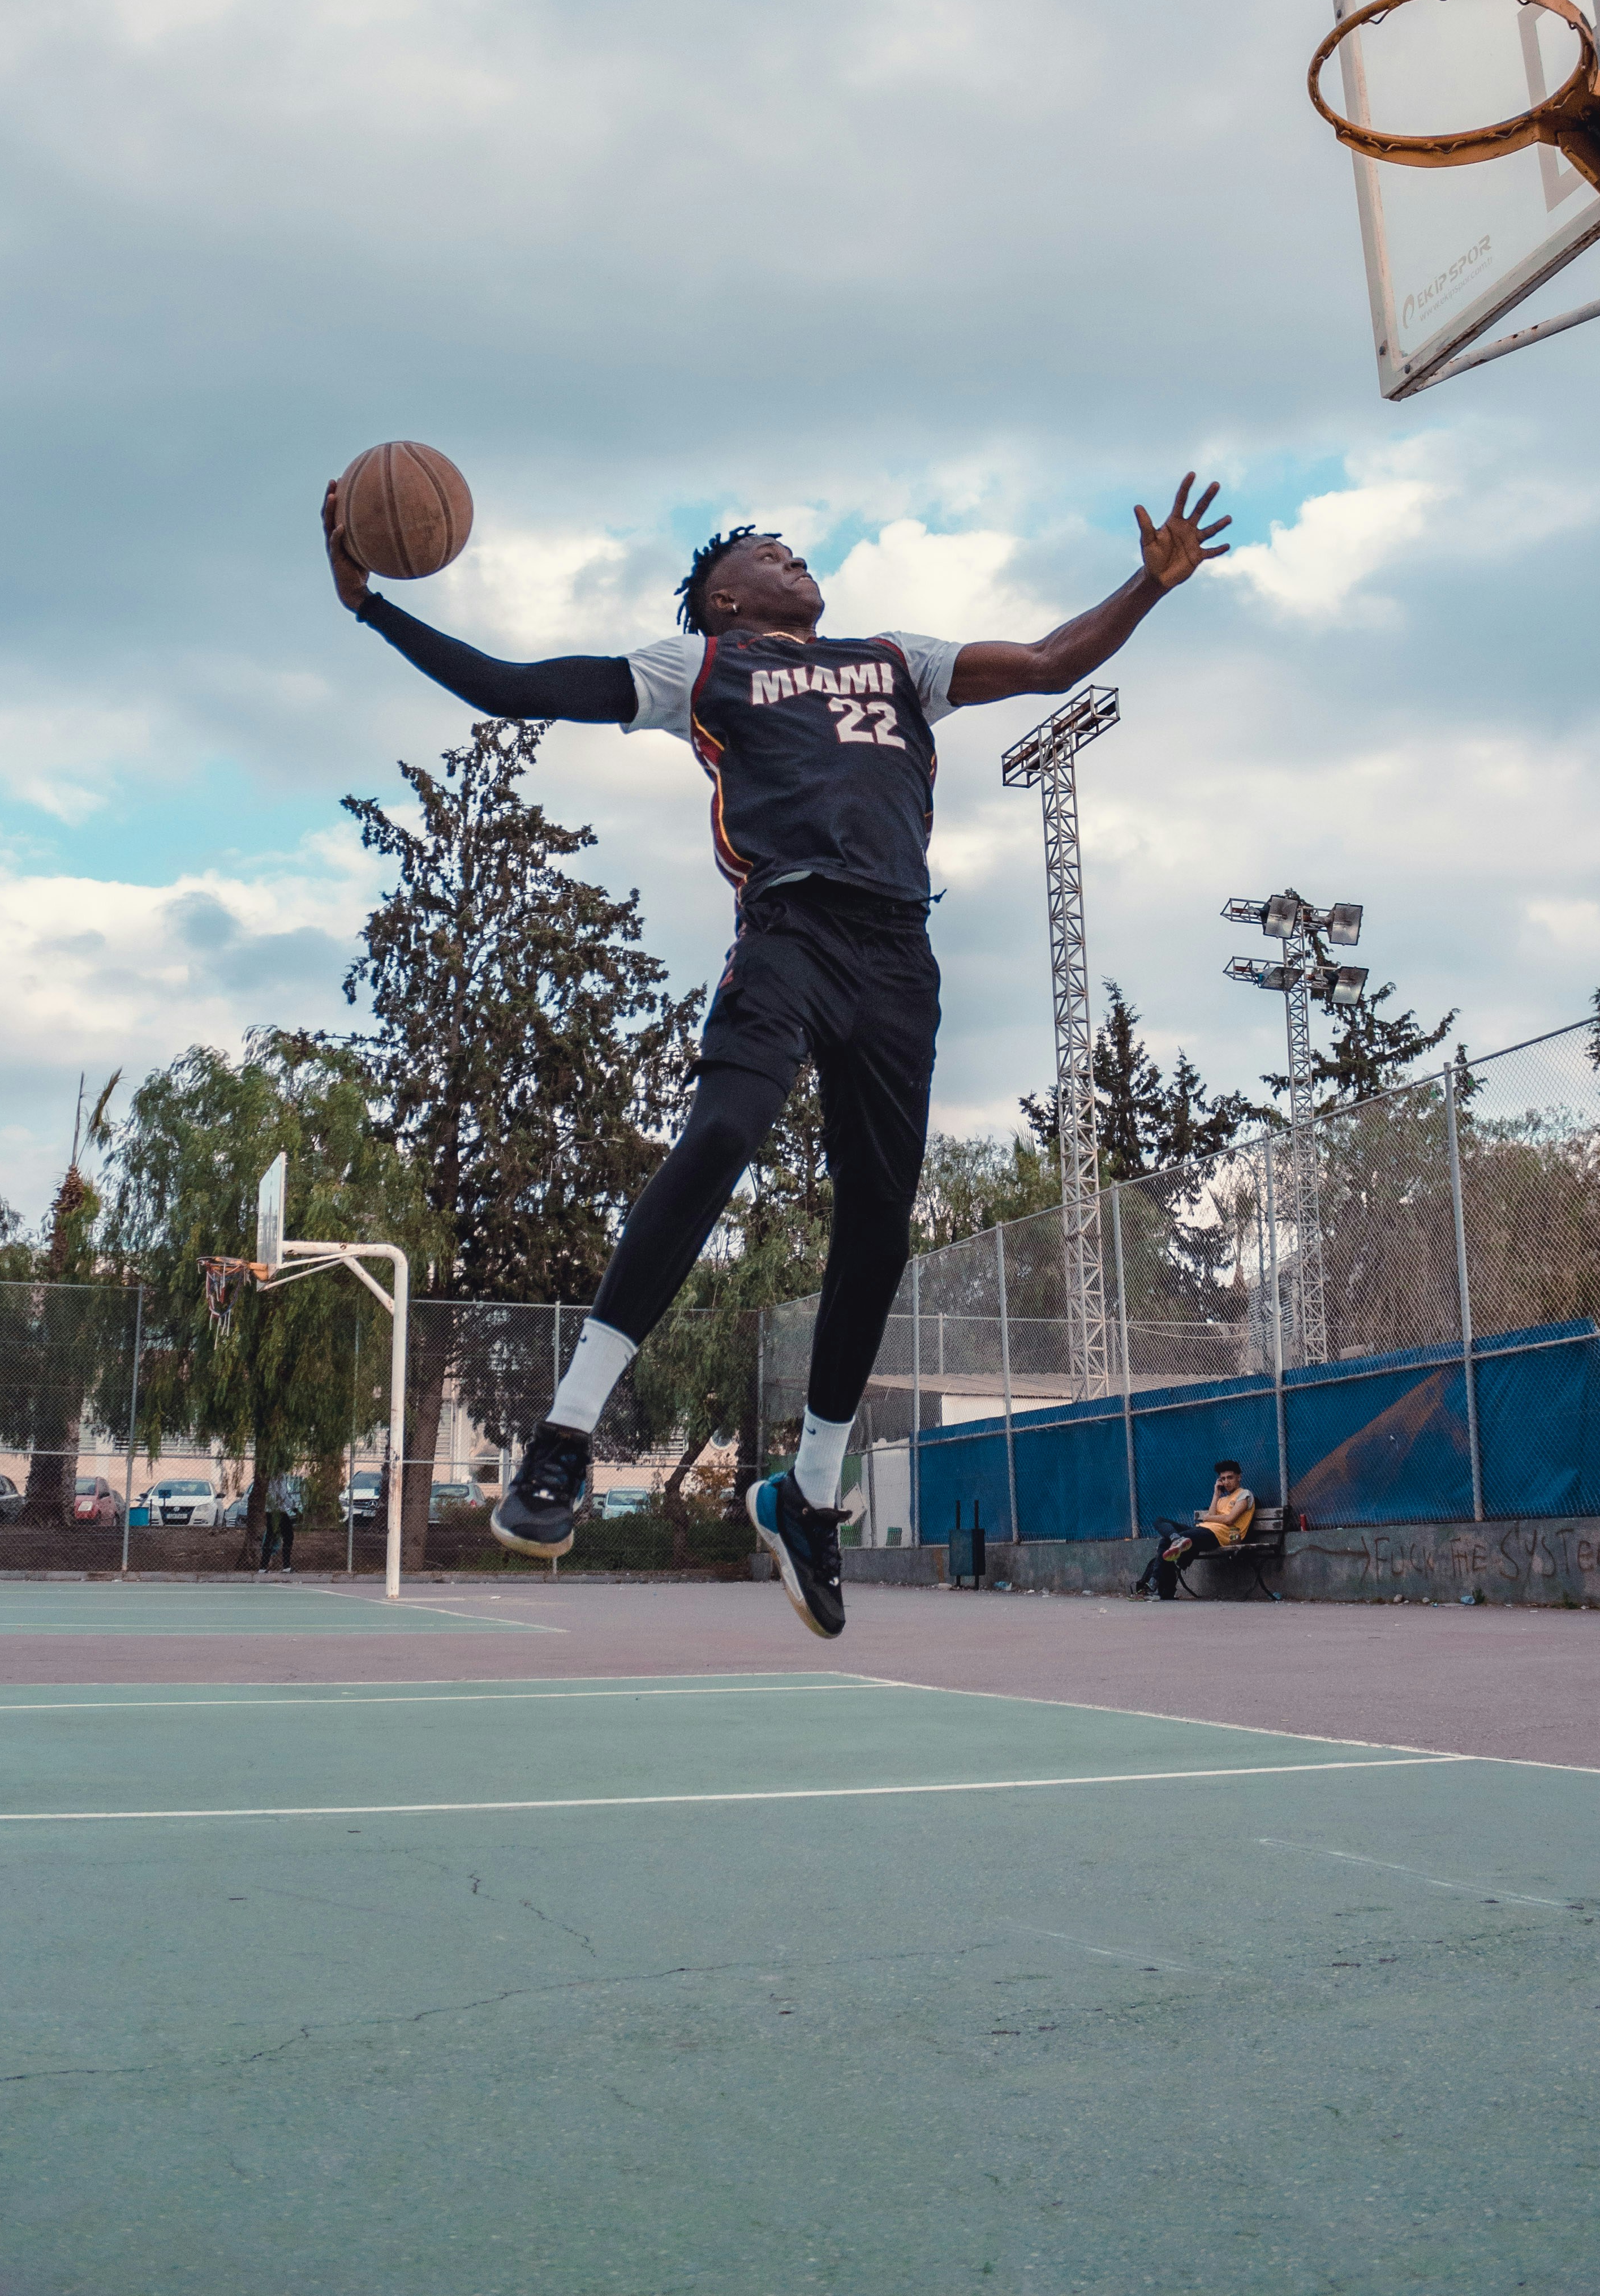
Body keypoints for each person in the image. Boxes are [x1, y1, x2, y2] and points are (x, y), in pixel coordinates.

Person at [326, 472, 1229, 1640]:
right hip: (790, 930)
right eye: (766, 551)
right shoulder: (699, 669)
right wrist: (370, 606)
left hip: (900, 954)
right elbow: (511, 689)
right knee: (721, 1135)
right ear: (724, 601)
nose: (792, 555)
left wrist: (1147, 587)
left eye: (794, 547)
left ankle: (808, 1494)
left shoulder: (897, 657)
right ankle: (564, 1437)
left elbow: (1054, 662)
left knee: (879, 1231)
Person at [1139, 1460, 1256, 1596]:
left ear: (1239, 1477)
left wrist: (1207, 1518)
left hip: (1222, 1536)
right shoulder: (1222, 1499)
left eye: (1230, 1477)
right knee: (1160, 1523)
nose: (1226, 1482)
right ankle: (1175, 1539)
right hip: (1205, 1530)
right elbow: (1213, 1515)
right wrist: (1217, 1494)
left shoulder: (1245, 1495)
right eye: (1223, 1479)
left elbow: (1230, 1519)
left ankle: (1155, 1584)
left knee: (1166, 1542)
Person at [258, 1468, 300, 1575]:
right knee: (288, 1536)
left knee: (270, 1537)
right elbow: (283, 1495)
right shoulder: (279, 1475)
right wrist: (294, 1509)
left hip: (271, 1510)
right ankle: (286, 1566)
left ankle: (263, 1567)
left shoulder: (272, 1473)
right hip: (278, 1511)